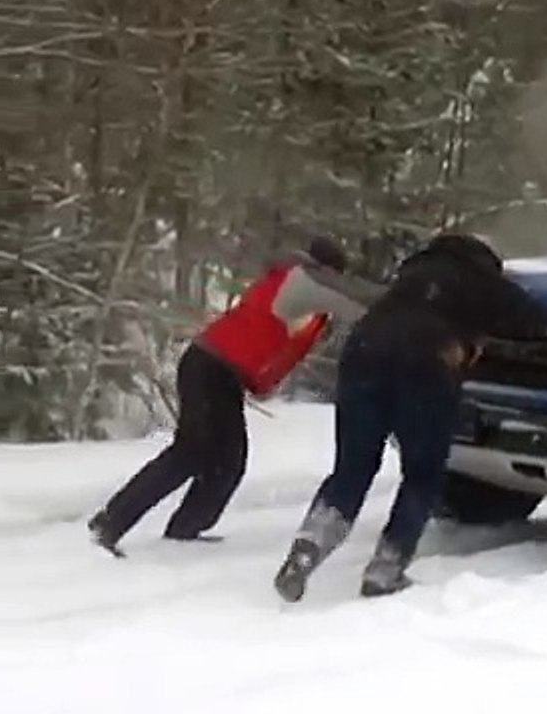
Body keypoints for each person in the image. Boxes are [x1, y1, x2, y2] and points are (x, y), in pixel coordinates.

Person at [272, 233, 547, 601]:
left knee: (352, 467)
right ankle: (385, 569)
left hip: (363, 354)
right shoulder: (482, 280)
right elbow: (537, 324)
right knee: (422, 474)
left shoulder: (411, 275)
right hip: (426, 364)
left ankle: (307, 549)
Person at [87, 235, 384, 557]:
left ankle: (184, 528)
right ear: (326, 268)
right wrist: (413, 298)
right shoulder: (302, 280)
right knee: (191, 453)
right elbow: (356, 299)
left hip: (214, 368)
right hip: (213, 367)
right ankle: (111, 523)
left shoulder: (290, 281)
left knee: (226, 460)